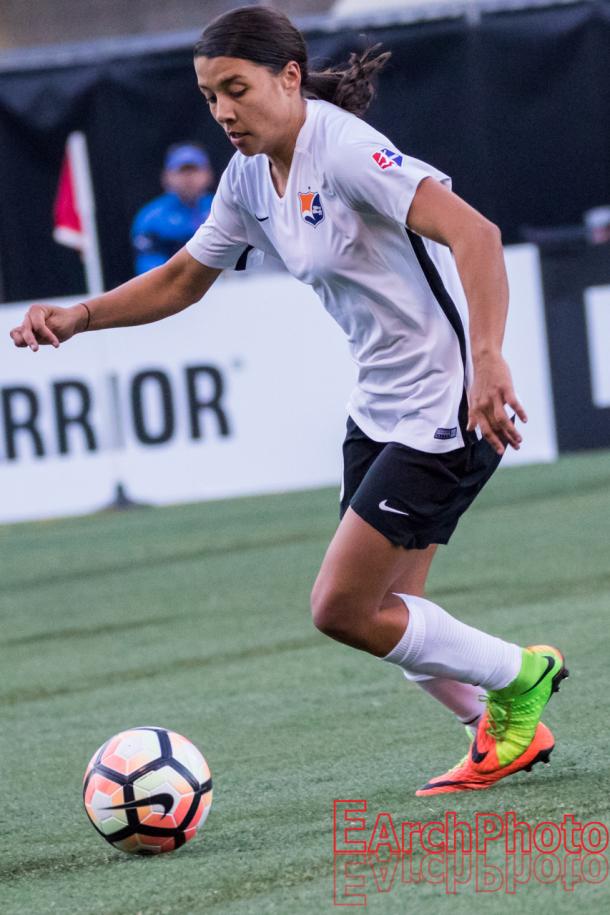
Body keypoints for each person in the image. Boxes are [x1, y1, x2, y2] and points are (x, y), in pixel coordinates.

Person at [10, 6, 568, 795]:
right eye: (210, 97)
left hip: (444, 406)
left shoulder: (343, 150)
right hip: (378, 404)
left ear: (290, 77)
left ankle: (522, 674)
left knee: (341, 607)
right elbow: (180, 281)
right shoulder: (246, 179)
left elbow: (474, 233)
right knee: (392, 612)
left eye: (236, 88)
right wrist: (81, 316)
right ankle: (497, 730)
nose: (224, 111)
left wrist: (487, 358)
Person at [131, 142, 215, 274]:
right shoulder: (151, 217)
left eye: (194, 170)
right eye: (182, 171)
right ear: (167, 176)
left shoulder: (221, 207)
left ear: (208, 174)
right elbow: (149, 269)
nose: (189, 178)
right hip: (175, 285)